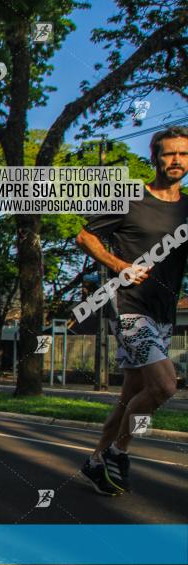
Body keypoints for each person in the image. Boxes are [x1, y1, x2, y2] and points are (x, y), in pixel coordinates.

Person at [76, 126, 188, 495]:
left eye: (183, 155)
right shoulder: (130, 198)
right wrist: (119, 265)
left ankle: (95, 462)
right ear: (155, 157)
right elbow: (85, 236)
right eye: (169, 154)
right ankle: (118, 451)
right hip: (128, 308)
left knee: (131, 396)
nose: (176, 161)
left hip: (163, 313)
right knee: (165, 385)